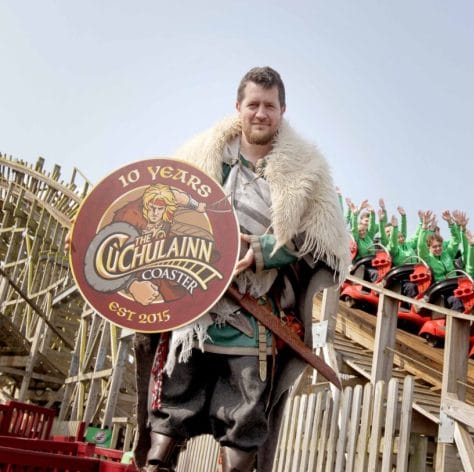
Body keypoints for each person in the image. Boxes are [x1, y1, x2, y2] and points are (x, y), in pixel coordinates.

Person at [135, 66, 350, 471]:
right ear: (238, 107)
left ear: (283, 110)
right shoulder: (200, 155)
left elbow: (319, 241)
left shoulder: (307, 170)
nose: (261, 114)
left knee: (244, 420)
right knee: (168, 417)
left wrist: (265, 251)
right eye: (253, 104)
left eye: (270, 106)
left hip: (254, 306)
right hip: (193, 303)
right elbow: (156, 215)